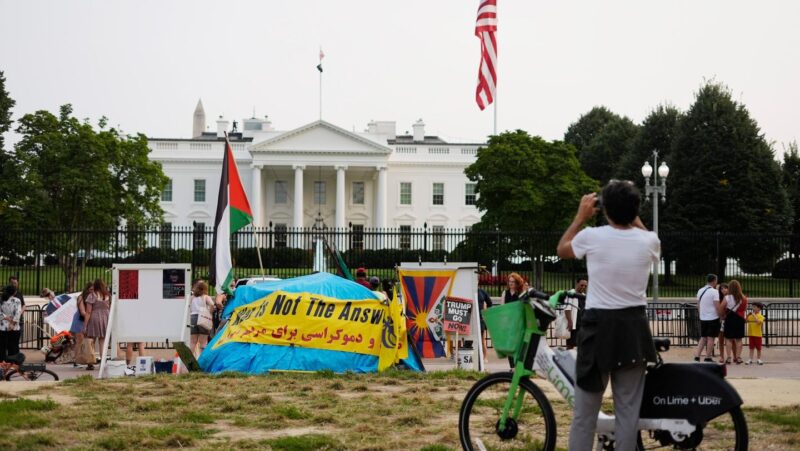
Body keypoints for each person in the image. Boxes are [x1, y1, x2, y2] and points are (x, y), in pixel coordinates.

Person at [556, 180, 659, 451]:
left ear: (605, 210)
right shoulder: (649, 241)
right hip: (633, 330)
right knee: (627, 413)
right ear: (635, 209)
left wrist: (580, 216)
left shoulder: (592, 237)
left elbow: (563, 249)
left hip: (597, 329)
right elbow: (649, 237)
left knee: (584, 415)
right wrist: (630, 209)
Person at [83, 278, 111, 371]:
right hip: (105, 318)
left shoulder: (92, 295)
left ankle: (90, 363)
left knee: (92, 341)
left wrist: (85, 325)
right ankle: (103, 363)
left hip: (94, 318)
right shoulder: (107, 295)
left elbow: (88, 311)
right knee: (102, 341)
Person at [693, 274, 721, 363]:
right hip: (713, 317)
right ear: (714, 281)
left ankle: (697, 356)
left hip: (703, 317)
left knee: (703, 337)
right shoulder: (714, 292)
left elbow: (698, 305)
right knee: (711, 338)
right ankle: (708, 357)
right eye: (716, 280)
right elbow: (717, 306)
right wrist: (720, 315)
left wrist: (701, 314)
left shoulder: (700, 290)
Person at [723, 279, 748, 364]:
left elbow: (722, 307)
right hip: (740, 319)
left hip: (730, 318)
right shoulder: (744, 298)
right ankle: (738, 357)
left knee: (728, 339)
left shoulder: (727, 297)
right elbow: (744, 309)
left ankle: (729, 357)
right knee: (739, 339)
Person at [189, 281, 215, 357]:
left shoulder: (192, 297)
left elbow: (189, 306)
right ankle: (202, 361)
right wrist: (210, 313)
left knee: (193, 342)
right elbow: (212, 304)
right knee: (203, 342)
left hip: (192, 318)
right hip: (203, 318)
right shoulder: (206, 297)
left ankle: (189, 361)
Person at [70, 283, 93, 366]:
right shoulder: (81, 297)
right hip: (80, 320)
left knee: (88, 340)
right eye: (90, 289)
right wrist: (91, 316)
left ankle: (87, 359)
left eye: (93, 289)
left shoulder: (94, 297)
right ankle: (76, 360)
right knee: (79, 340)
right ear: (87, 289)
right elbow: (82, 311)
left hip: (87, 319)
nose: (92, 291)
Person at [0, 285, 23, 361]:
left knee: (2, 347)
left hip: (2, 327)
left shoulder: (1, 300)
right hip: (14, 328)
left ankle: (2, 363)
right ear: (14, 292)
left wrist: (6, 318)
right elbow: (18, 313)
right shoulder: (17, 300)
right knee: (13, 347)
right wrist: (12, 323)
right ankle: (13, 364)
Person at [565, 277, 588, 350]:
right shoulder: (571, 293)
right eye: (582, 285)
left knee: (581, 343)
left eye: (585, 286)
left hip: (582, 323)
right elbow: (567, 309)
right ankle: (567, 358)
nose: (583, 287)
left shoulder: (584, 295)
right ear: (577, 283)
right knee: (570, 344)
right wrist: (569, 321)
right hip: (574, 323)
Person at [7, 276, 24, 346]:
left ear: (17, 283)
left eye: (15, 283)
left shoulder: (19, 294)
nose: (14, 285)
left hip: (19, 321)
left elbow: (23, 305)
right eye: (12, 283)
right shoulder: (5, 295)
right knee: (8, 341)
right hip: (9, 322)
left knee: (16, 341)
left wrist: (21, 312)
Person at [715, 283, 730, 363]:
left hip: (729, 320)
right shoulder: (719, 298)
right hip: (721, 320)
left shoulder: (730, 298)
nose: (723, 290)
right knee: (721, 339)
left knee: (731, 339)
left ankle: (730, 355)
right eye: (721, 289)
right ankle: (721, 356)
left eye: (725, 288)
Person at [477, 288, 492, 362]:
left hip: (480, 319)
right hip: (470, 318)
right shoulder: (468, 290)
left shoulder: (482, 292)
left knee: (482, 340)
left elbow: (490, 303)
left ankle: (485, 357)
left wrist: (486, 312)